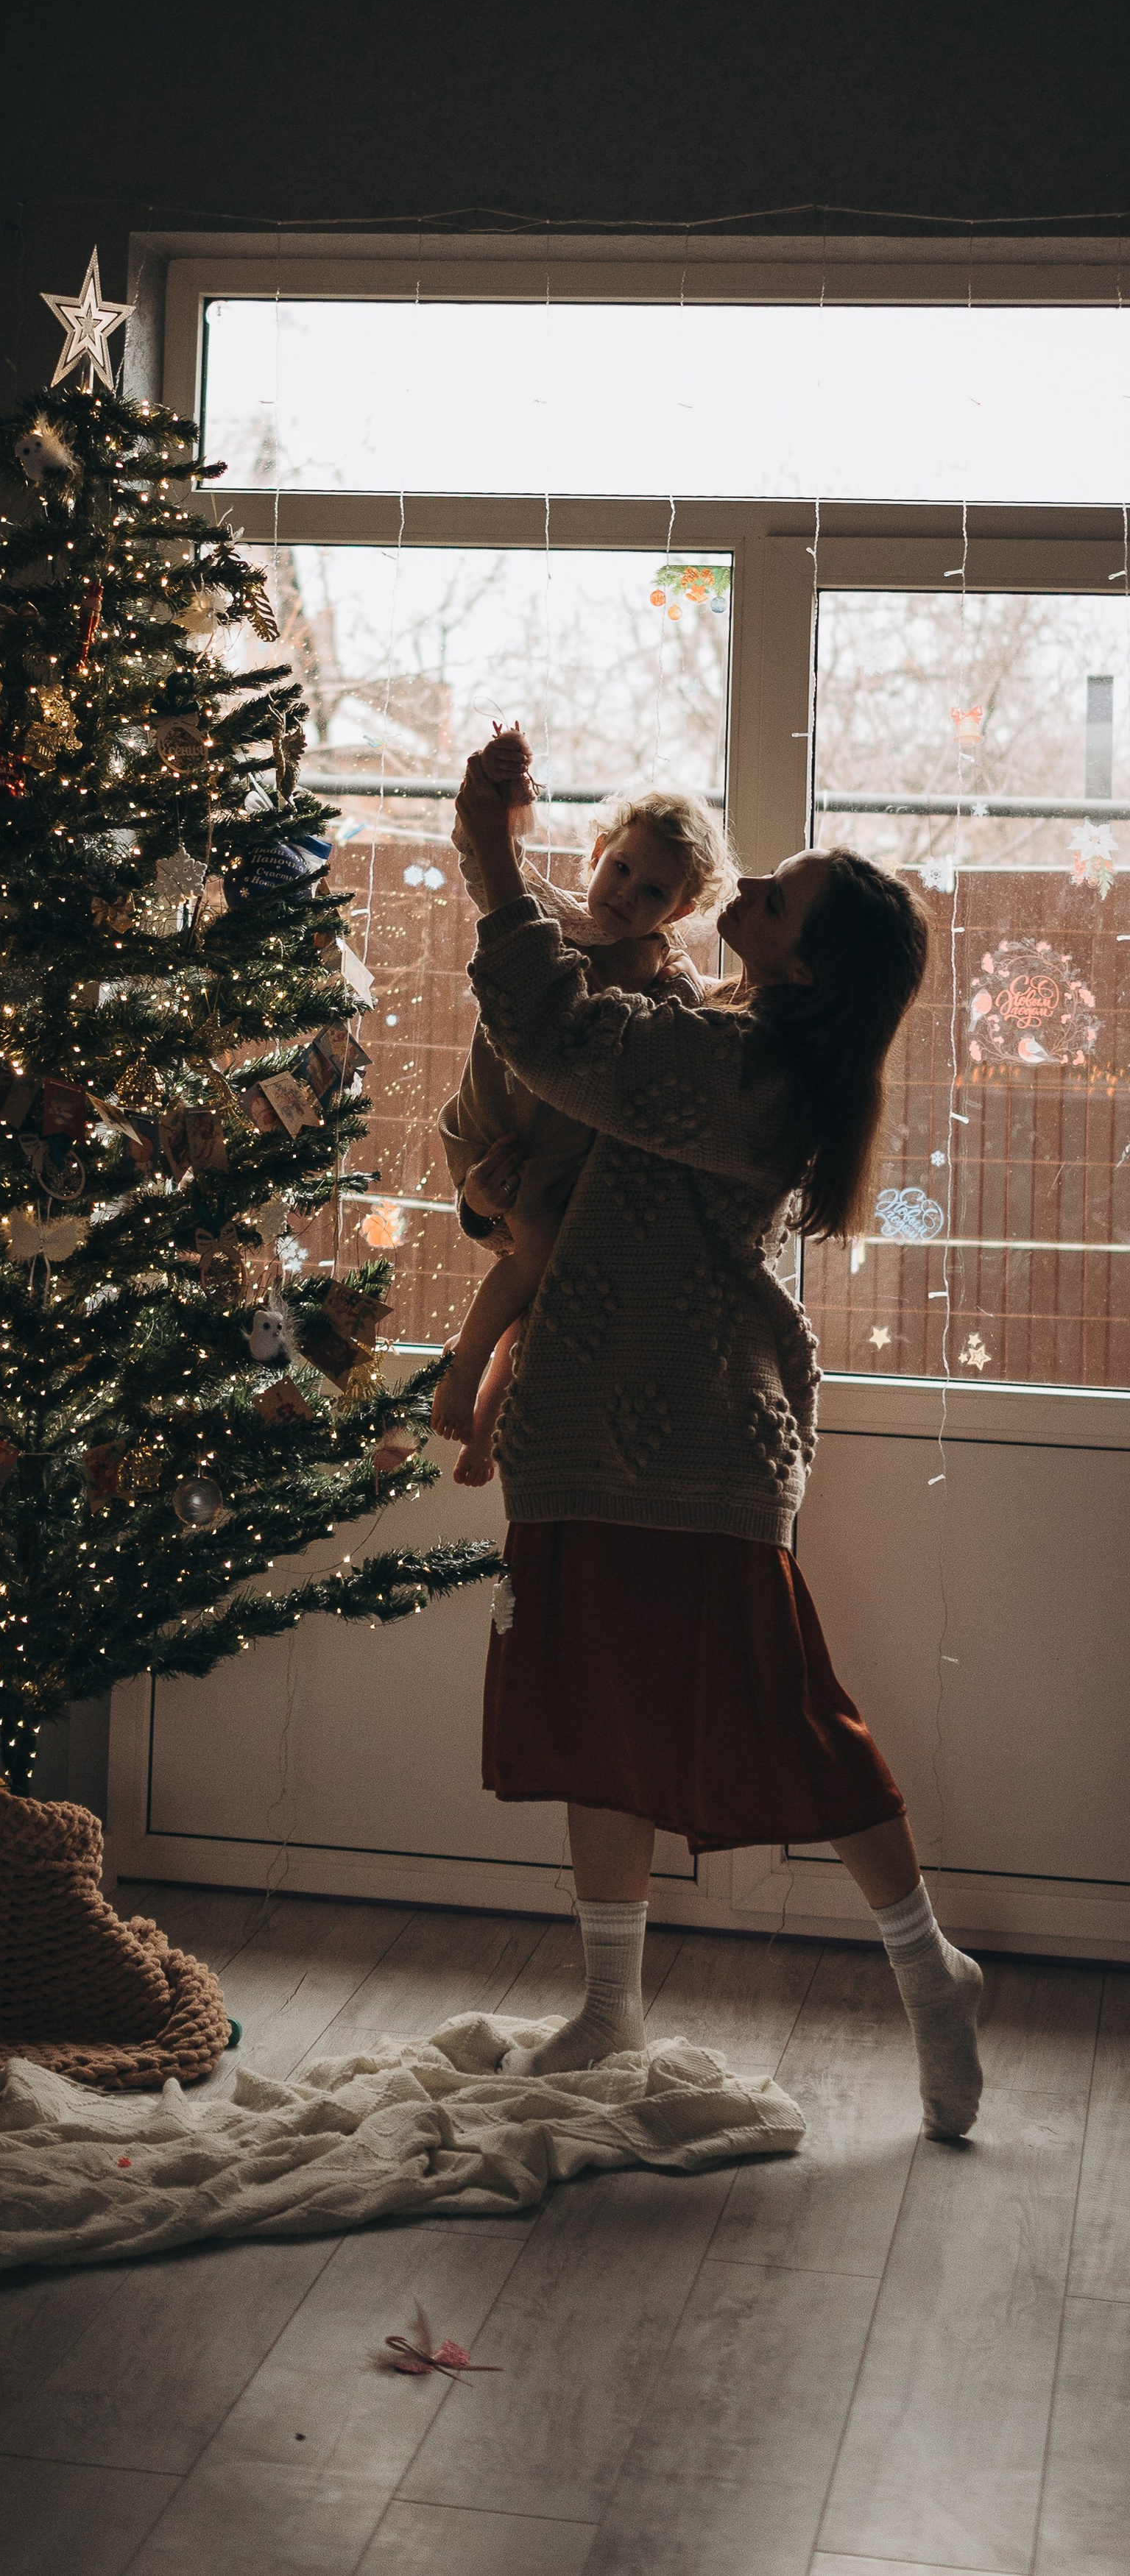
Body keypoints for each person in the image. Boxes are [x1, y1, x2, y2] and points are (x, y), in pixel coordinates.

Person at [453, 723, 984, 2142]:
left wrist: (486, 851)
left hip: (691, 1439)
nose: (746, 894)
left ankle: (931, 1974)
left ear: (802, 965)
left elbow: (560, 1031)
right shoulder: (702, 1033)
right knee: (588, 1719)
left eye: (775, 897)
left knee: (793, 1721)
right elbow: (561, 1113)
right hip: (581, 1419)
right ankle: (611, 2002)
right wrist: (504, 1203)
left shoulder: (757, 1077)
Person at [434, 785, 735, 1487]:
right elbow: (489, 870)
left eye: (655, 891)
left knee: (540, 1286)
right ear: (596, 853)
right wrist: (498, 801)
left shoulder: (664, 970)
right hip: (492, 1124)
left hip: (551, 1156)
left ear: (681, 912)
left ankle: (475, 1400)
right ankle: (471, 1369)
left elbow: (679, 1031)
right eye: (622, 868)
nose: (628, 894)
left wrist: (690, 990)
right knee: (532, 1274)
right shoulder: (554, 917)